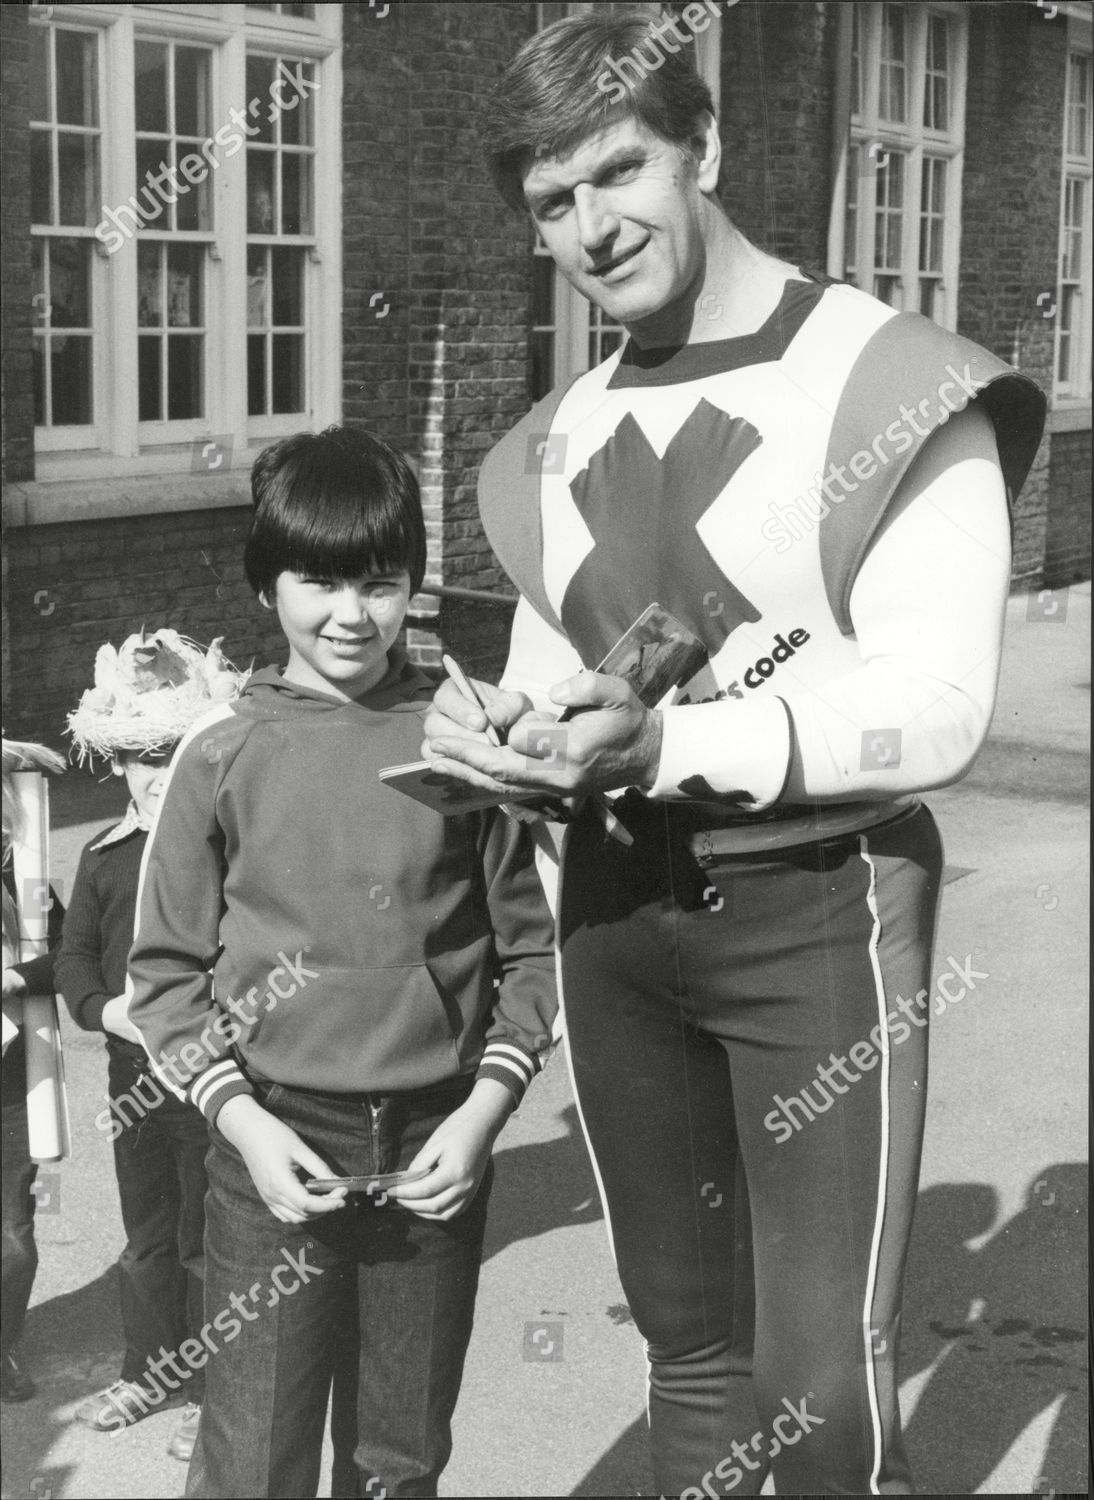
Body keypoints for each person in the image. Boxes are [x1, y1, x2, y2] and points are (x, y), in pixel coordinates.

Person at [422, 12, 1047, 1497]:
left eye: (618, 172)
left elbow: (941, 706)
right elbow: (539, 682)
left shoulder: (894, 383)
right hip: (616, 919)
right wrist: (489, 735)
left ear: (702, 146)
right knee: (686, 1346)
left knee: (819, 1382)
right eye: (552, 204)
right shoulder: (549, 439)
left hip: (818, 905)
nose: (591, 227)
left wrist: (667, 742)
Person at [125, 426, 557, 1499]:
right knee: (251, 1456)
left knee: (399, 1460)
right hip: (273, 1149)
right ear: (265, 585)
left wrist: (480, 1117)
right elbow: (164, 982)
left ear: (411, 583)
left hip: (431, 1154)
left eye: (379, 581)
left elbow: (533, 954)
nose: (351, 614)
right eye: (318, 580)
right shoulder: (221, 752)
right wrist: (246, 1127)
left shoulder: (463, 744)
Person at [57, 628, 247, 1460]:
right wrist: (106, 1014)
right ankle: (149, 1370)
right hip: (136, 1081)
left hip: (217, 1080)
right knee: (147, 1238)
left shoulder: (231, 854)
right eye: (137, 756)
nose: (154, 771)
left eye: (170, 751)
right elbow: (72, 960)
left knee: (217, 1243)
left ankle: (226, 1394)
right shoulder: (105, 859)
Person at [1, 737, 65, 1404]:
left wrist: (17, 975)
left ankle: (0, 1351)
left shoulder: (24, 877)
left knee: (12, 1237)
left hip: (9, 1086)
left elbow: (72, 954)